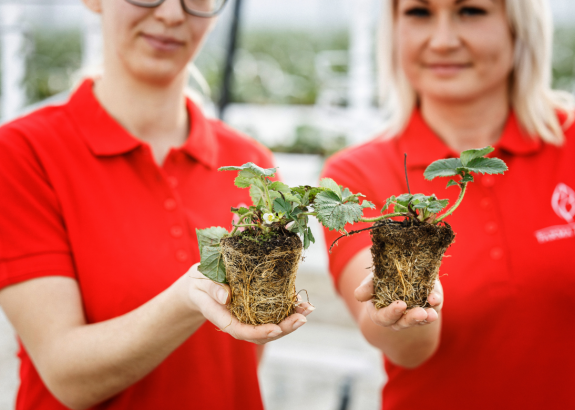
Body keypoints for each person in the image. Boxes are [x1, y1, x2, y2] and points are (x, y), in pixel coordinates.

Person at [0, 0, 313, 409]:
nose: (170, 14)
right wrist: (188, 297)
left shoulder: (249, 166)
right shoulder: (23, 154)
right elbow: (67, 376)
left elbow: (243, 352)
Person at [321, 0, 575, 409]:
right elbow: (403, 347)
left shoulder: (570, 145)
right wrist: (403, 308)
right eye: (419, 12)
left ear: (519, 24)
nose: (442, 41)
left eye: (471, 11)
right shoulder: (356, 176)